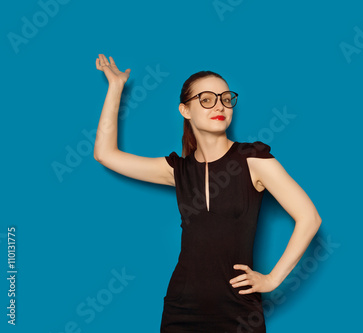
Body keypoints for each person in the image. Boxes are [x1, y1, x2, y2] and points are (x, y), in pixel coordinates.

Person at [94, 54, 322, 332]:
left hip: (239, 311)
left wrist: (272, 279)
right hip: (182, 309)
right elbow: (105, 154)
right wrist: (116, 87)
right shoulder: (178, 170)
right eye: (206, 99)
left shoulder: (254, 160)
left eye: (225, 98)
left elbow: (309, 218)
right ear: (185, 110)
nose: (220, 106)